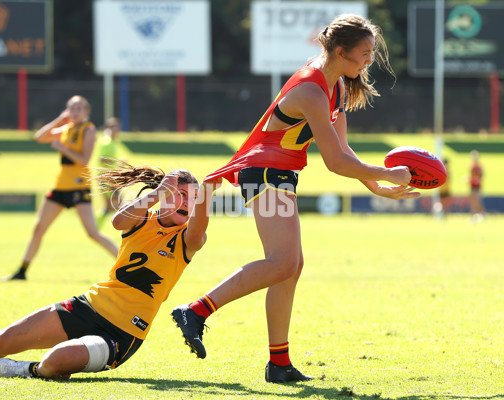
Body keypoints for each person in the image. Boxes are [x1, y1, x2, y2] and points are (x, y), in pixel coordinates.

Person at [171, 14, 419, 384]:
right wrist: (386, 172)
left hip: (280, 175)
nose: (369, 61)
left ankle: (279, 363)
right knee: (283, 262)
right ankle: (196, 311)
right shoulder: (311, 90)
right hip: (264, 174)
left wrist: (376, 187)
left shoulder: (335, 86)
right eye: (364, 53)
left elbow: (344, 152)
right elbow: (335, 163)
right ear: (340, 51)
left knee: (291, 266)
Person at [0, 163, 216, 380]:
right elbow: (117, 222)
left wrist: (206, 193)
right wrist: (155, 195)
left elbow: (199, 227)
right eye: (179, 195)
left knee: (54, 362)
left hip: (123, 333)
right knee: (6, 339)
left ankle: (26, 369)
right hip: (89, 305)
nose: (186, 203)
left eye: (192, 198)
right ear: (164, 195)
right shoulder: (143, 218)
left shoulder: (189, 238)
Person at [6, 95, 118, 280]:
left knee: (92, 233)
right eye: (71, 108)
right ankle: (22, 271)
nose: (75, 112)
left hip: (78, 187)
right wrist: (60, 119)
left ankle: (126, 262)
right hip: (60, 186)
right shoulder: (67, 128)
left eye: (78, 108)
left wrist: (62, 148)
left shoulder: (88, 130)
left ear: (86, 112)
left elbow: (84, 160)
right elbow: (39, 137)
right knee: (39, 229)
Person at [97, 117, 123, 227]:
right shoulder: (106, 142)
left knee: (110, 206)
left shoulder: (113, 142)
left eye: (116, 126)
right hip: (106, 178)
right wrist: (117, 162)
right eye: (112, 127)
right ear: (107, 128)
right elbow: (101, 159)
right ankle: (127, 228)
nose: (115, 129)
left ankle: (95, 227)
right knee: (120, 204)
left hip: (111, 177)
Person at [468, 150, 485, 222]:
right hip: (472, 185)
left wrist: (475, 179)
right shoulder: (472, 166)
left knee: (477, 200)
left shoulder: (478, 166)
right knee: (472, 200)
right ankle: (474, 214)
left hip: (477, 186)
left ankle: (482, 213)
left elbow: (480, 176)